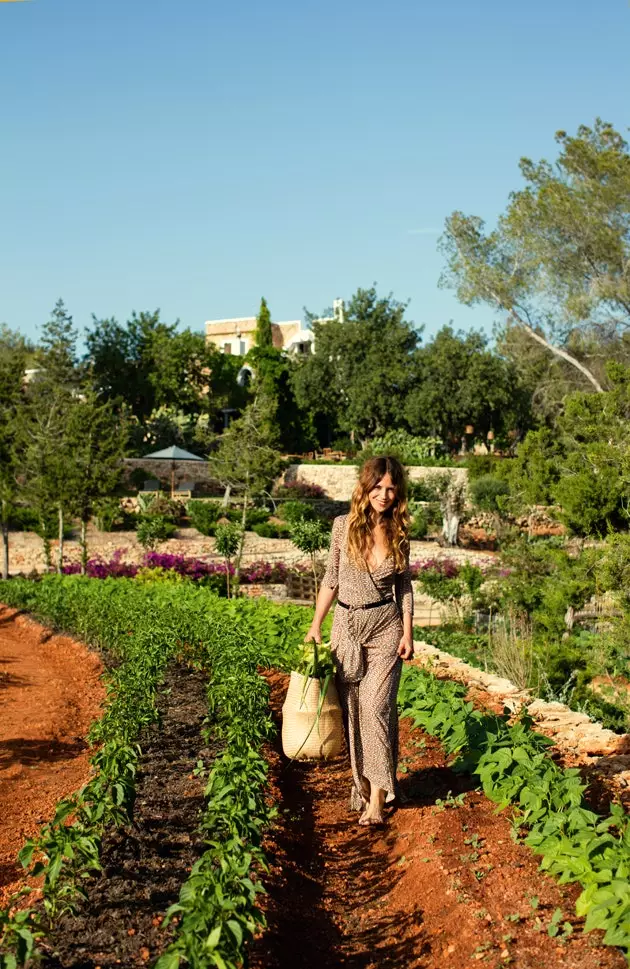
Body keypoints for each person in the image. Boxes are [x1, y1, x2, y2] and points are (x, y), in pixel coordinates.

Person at [305, 455, 414, 826]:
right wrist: (316, 623)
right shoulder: (342, 527)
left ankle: (378, 802)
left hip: (386, 627)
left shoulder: (400, 531)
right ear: (365, 487)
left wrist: (409, 633)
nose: (383, 495)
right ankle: (364, 787)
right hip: (346, 626)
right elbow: (331, 579)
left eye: (390, 489)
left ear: (397, 493)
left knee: (375, 706)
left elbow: (404, 586)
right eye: (377, 487)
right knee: (353, 709)